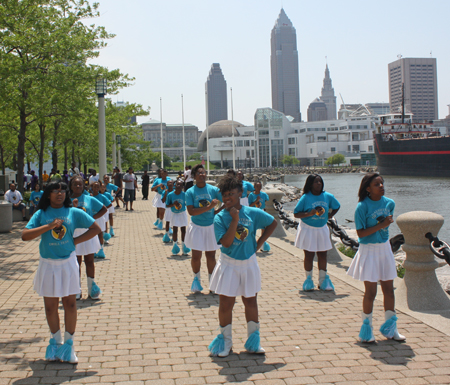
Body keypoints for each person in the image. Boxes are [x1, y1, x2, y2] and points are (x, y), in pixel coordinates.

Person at [22, 181, 101, 363]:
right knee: (50, 307)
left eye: (62, 191)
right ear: (47, 194)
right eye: (55, 191)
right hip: (48, 264)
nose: (59, 194)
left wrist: (75, 241)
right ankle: (55, 345)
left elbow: (96, 229)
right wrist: (49, 227)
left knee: (70, 304)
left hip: (68, 263)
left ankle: (69, 345)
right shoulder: (41, 214)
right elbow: (25, 235)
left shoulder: (73, 212)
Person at [208, 174, 277, 357]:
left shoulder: (252, 212)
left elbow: (272, 223)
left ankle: (253, 343)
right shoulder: (219, 218)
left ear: (240, 193)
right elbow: (228, 243)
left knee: (251, 302)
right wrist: (235, 220)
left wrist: (258, 244)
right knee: (226, 304)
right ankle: (226, 343)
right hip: (229, 265)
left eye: (231, 193)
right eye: (224, 195)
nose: (227, 197)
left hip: (249, 264)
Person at [347, 173, 406, 343]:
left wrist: (383, 227)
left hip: (384, 249)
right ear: (367, 188)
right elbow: (361, 234)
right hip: (369, 250)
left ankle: (391, 329)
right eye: (376, 184)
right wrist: (382, 225)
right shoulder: (362, 207)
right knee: (371, 292)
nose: (381, 186)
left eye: (382, 183)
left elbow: (385, 228)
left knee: (389, 289)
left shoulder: (389, 203)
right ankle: (367, 330)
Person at [293, 174, 340, 291]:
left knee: (323, 254)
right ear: (310, 184)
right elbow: (296, 213)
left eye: (320, 181)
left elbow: (337, 206)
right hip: (308, 228)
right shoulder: (305, 197)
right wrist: (309, 214)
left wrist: (330, 215)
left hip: (321, 228)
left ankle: (323, 280)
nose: (319, 184)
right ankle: (308, 280)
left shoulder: (327, 196)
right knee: (309, 255)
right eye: (316, 182)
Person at [185, 164, 223, 293]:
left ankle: (212, 283)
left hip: (211, 227)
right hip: (196, 227)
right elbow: (191, 212)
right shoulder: (190, 192)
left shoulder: (213, 190)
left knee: (211, 256)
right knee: (196, 256)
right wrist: (209, 207)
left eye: (204, 172)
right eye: (199, 173)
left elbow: (227, 201)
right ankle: (196, 280)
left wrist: (218, 212)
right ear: (194, 176)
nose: (202, 175)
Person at [69, 176, 107, 300]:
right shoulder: (66, 200)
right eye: (75, 184)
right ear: (71, 186)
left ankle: (92, 289)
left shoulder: (89, 199)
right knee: (76, 263)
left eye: (80, 184)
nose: (78, 187)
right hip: (74, 233)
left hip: (88, 232)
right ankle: (76, 289)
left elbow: (104, 209)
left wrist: (91, 219)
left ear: (84, 186)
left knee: (89, 261)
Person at [165, 179, 190, 255]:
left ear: (182, 186)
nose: (179, 186)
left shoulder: (184, 194)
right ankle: (175, 246)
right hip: (174, 214)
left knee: (183, 230)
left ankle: (184, 246)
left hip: (182, 213)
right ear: (175, 185)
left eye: (180, 185)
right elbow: (167, 205)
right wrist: (173, 204)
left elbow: (188, 204)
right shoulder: (170, 195)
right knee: (175, 230)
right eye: (177, 184)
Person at [91, 181, 112, 257]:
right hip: (91, 218)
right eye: (94, 187)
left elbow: (109, 204)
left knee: (100, 233)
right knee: (91, 234)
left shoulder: (102, 196)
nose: (96, 188)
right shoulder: (89, 196)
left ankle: (101, 250)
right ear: (92, 188)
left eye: (97, 187)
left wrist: (101, 212)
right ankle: (92, 250)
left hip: (99, 218)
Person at [248, 181, 271, 251]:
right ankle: (252, 244)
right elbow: (249, 205)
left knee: (263, 228)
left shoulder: (264, 194)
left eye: (260, 186)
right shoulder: (251, 195)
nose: (259, 188)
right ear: (254, 187)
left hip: (261, 212)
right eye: (257, 186)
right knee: (253, 228)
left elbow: (266, 200)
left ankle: (262, 244)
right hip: (254, 213)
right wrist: (256, 201)